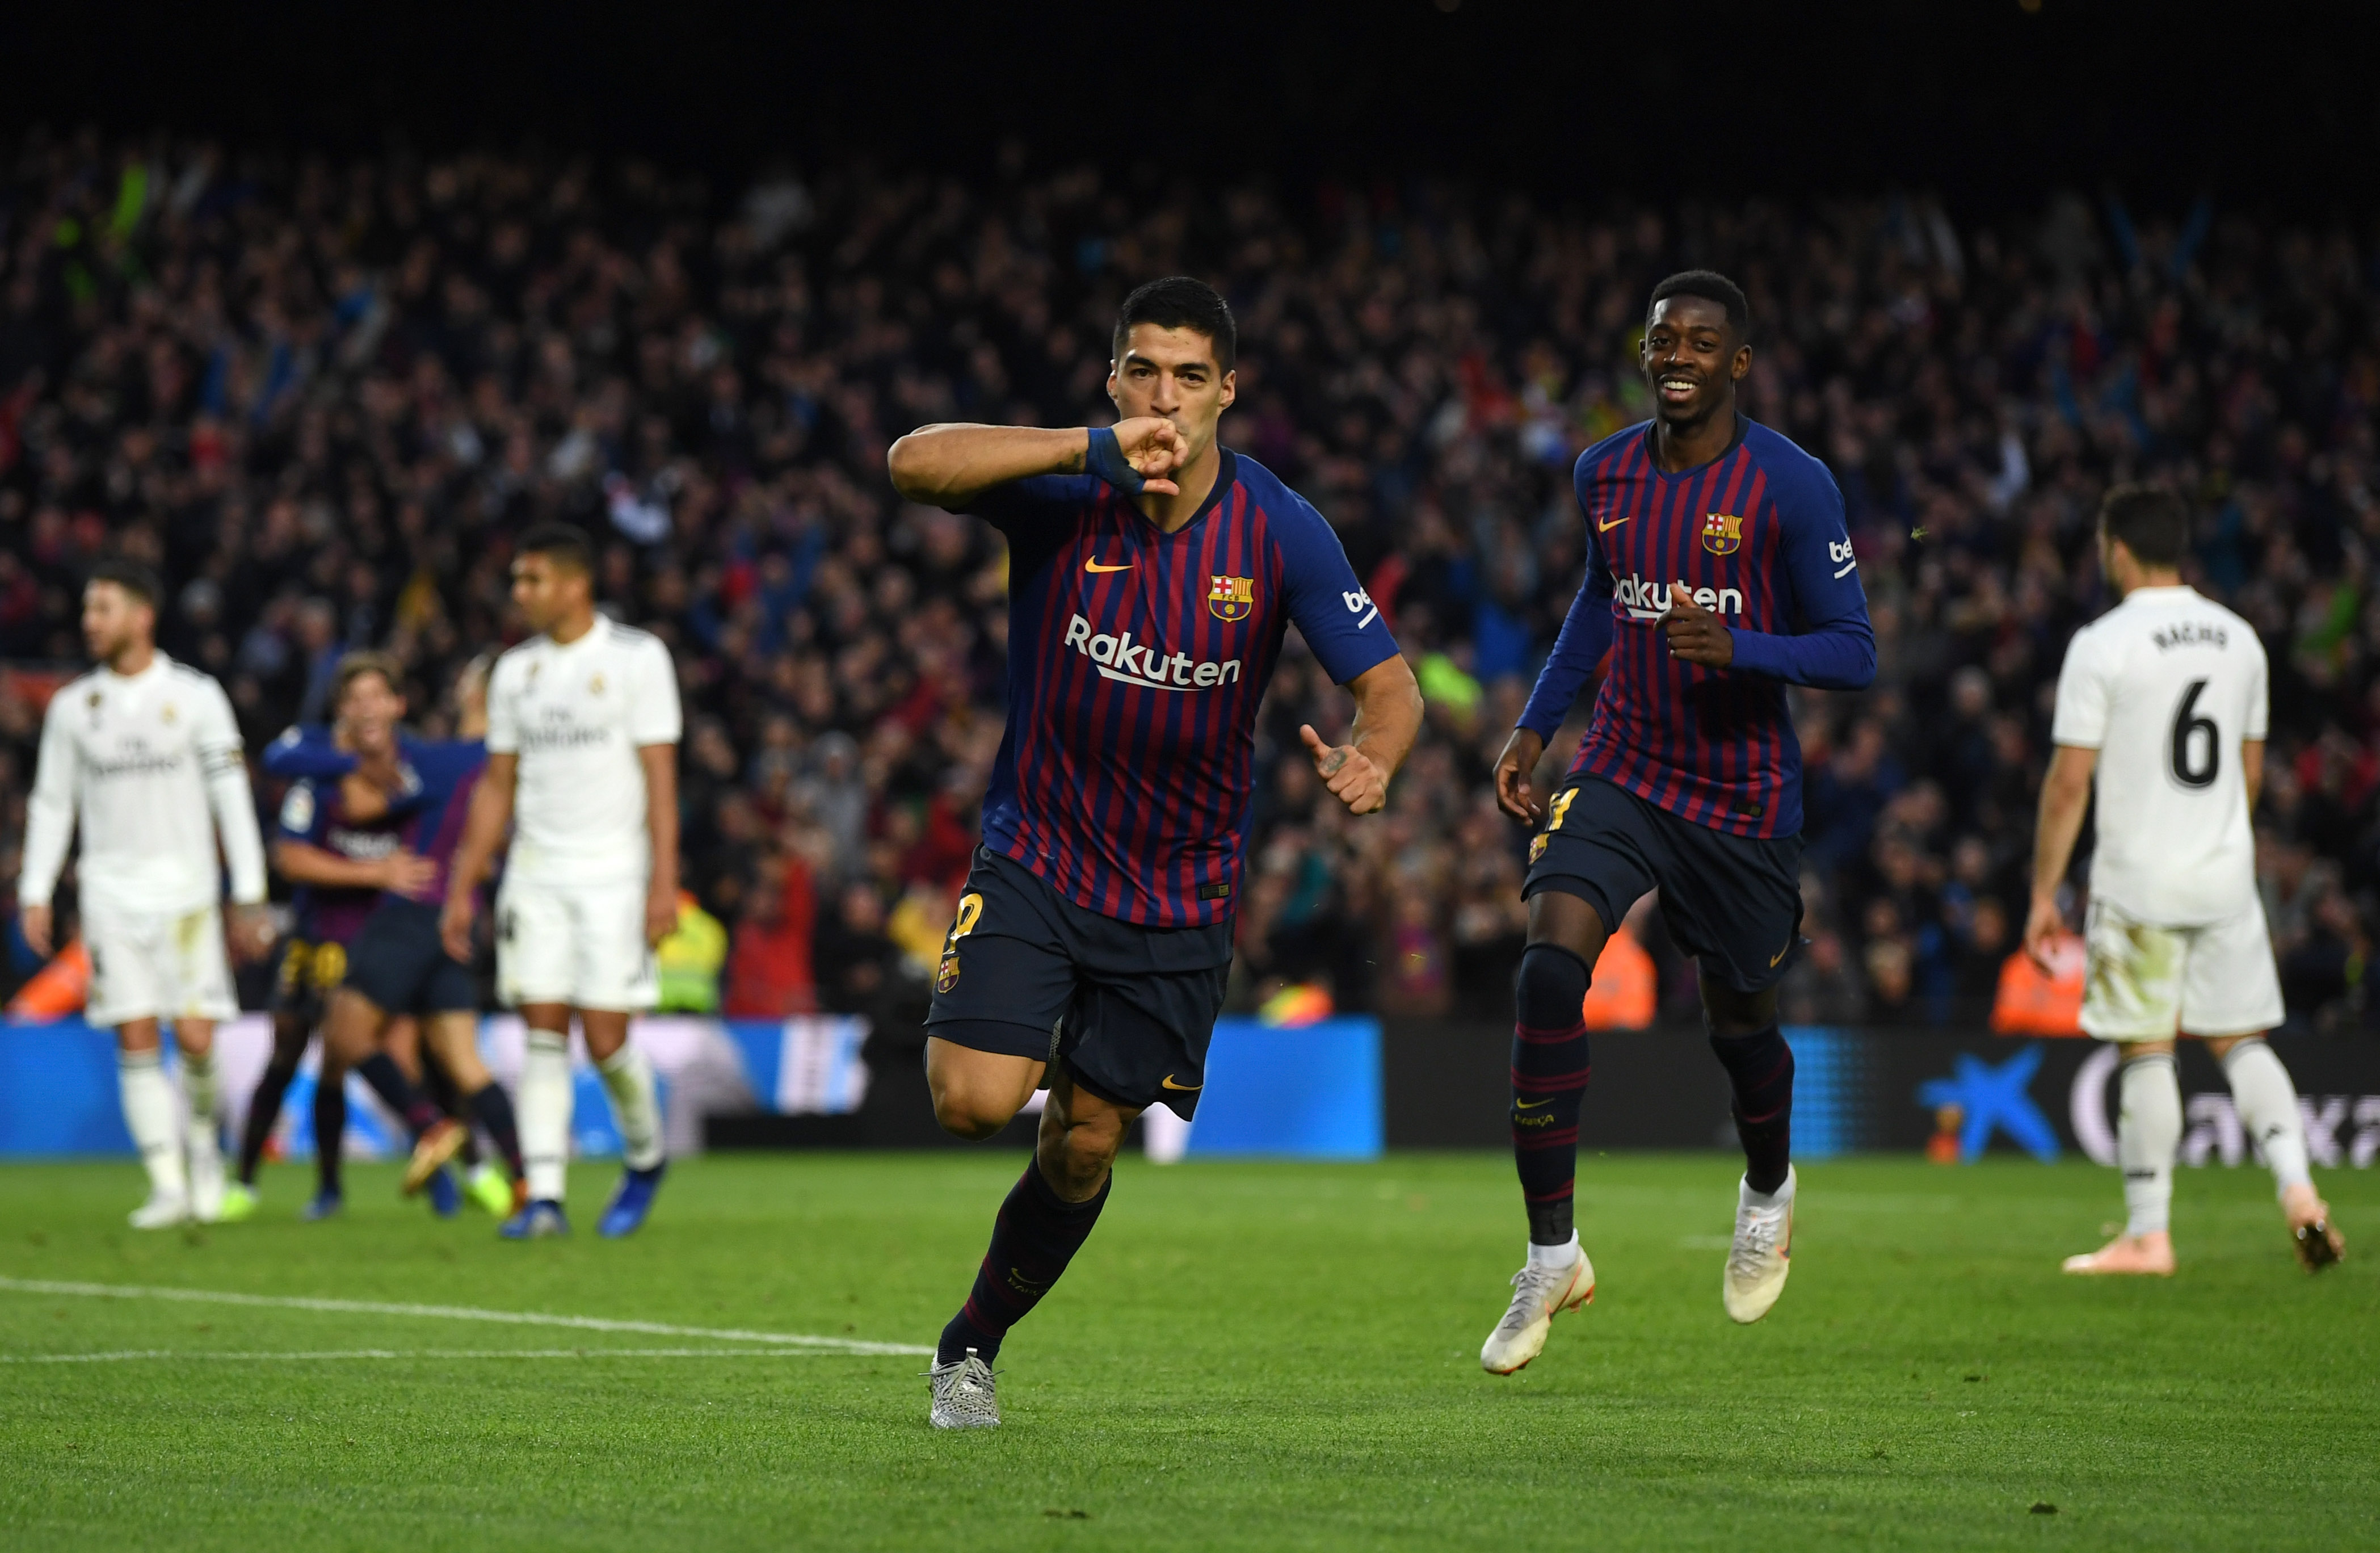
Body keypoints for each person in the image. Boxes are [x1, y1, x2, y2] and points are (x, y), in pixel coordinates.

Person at [888, 275, 1423, 1428]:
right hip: (1038, 851)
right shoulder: (1064, 488)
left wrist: (1375, 757)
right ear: (1113, 379)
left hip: (1178, 894)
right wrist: (1082, 448)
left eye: (1189, 375)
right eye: (1142, 369)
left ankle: (969, 1347)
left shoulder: (1279, 528)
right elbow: (911, 463)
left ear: (1230, 389)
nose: (1164, 396)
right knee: (974, 1102)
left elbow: (1388, 685)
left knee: (1082, 1142)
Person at [1483, 272, 1876, 1372]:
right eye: (1664, 339)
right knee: (1548, 969)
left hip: (1742, 801)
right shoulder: (1602, 471)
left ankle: (1768, 1187)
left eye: (1703, 341)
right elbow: (1602, 599)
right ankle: (1551, 1252)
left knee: (1741, 1022)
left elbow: (1855, 648)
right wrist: (1534, 727)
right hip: (1621, 769)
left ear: (1738, 363)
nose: (1678, 355)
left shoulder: (1791, 488)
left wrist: (1744, 648)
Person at [2026, 485, 2344, 1276]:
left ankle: (2147, 1234)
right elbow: (2248, 771)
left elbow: (2069, 783)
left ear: (2118, 550)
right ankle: (2299, 1190)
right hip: (2223, 875)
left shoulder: (2103, 642)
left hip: (2140, 878)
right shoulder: (2239, 640)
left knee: (2146, 1049)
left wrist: (2042, 891)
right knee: (2241, 1040)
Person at [441, 524, 682, 1240]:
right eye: (517, 580)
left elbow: (659, 777)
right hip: (536, 876)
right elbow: (497, 787)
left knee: (606, 1039)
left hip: (614, 874)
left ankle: (646, 1156)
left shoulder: (638, 659)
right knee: (541, 1030)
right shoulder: (515, 672)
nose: (520, 594)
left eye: (532, 579)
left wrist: (664, 880)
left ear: (577, 585)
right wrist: (464, 881)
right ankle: (544, 1195)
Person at [18, 559, 274, 1227]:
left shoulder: (196, 696)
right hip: (109, 894)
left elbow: (231, 795)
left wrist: (248, 891)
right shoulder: (76, 707)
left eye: (102, 608)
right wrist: (37, 889)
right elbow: (52, 804)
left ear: (142, 616)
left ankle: (204, 1157)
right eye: (87, 609)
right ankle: (166, 1184)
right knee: (134, 1033)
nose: (89, 622)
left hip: (187, 893)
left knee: (194, 1038)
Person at [263, 653, 526, 1223]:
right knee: (463, 1060)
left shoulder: (441, 759)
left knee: (344, 1033)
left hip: (408, 917)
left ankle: (430, 1127)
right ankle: (527, 1183)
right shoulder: (478, 761)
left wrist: (359, 767)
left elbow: (340, 787)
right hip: (453, 920)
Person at [223, 665, 439, 1223]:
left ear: (397, 704)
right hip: (317, 937)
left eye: (376, 696)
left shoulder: (415, 766)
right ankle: (244, 1180)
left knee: (352, 1058)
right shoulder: (313, 770)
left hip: (382, 940)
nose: (366, 708)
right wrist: (374, 873)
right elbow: (290, 855)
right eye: (355, 698)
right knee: (287, 1053)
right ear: (341, 708)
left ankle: (333, 1188)